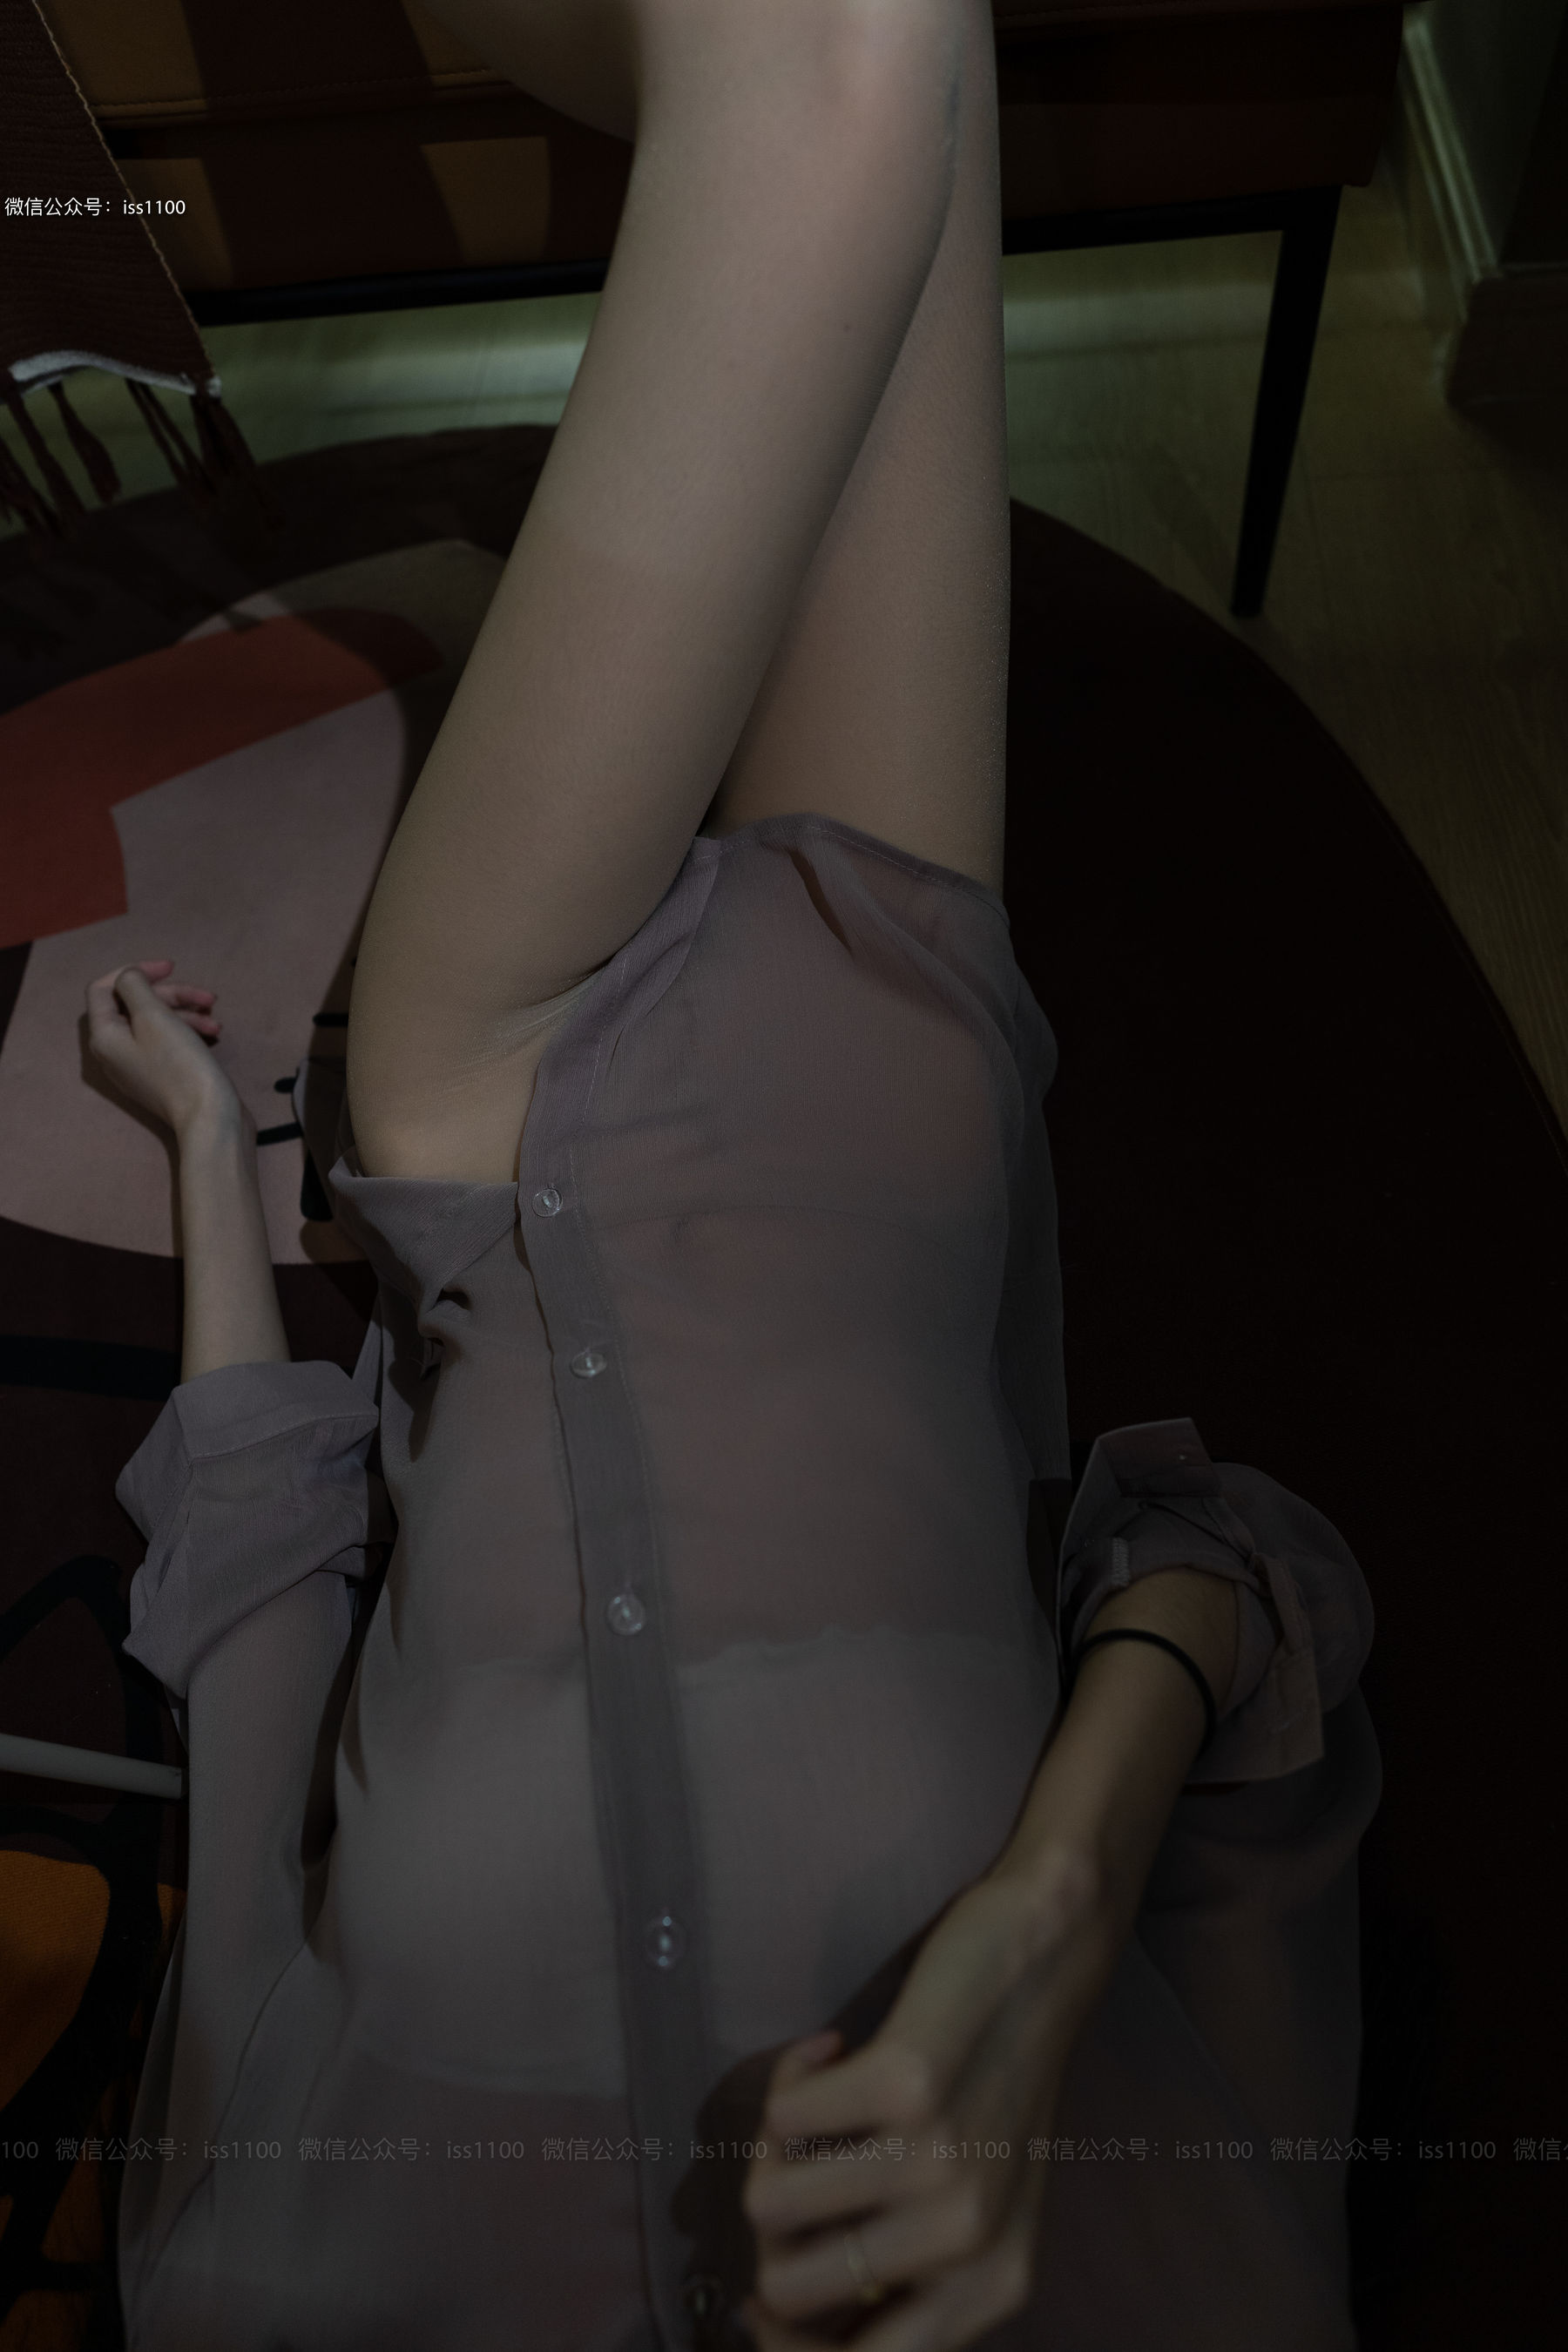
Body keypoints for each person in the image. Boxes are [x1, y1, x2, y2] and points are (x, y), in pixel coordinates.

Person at [88, 4, 1379, 2347]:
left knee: (826, 75)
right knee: (903, 40)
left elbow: (257, 1645)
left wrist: (203, 1148)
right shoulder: (1191, 2297)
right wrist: (1060, 1908)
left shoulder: (246, 2303)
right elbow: (1236, 1570)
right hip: (880, 1123)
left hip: (496, 1129)